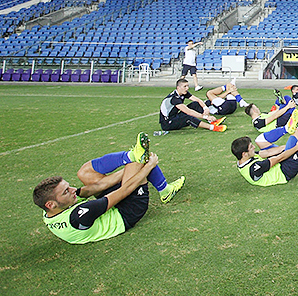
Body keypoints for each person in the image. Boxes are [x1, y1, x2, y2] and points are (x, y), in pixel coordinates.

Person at [33, 133, 185, 244]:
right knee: (139, 163)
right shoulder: (80, 215)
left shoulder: (52, 209)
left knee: (84, 172)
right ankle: (165, 190)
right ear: (51, 204)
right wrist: (147, 166)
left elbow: (97, 187)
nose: (73, 190)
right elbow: (124, 190)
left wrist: (131, 164)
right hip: (127, 212)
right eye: (66, 191)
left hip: (107, 206)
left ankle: (131, 156)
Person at [232, 130, 298, 188]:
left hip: (278, 164)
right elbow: (280, 158)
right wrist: (295, 148)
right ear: (244, 154)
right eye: (251, 147)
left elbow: (267, 152)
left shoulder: (243, 160)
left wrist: (285, 147)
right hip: (286, 171)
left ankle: (286, 128)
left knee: (260, 140)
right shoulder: (255, 167)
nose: (254, 147)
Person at [159, 78, 227, 132]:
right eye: (185, 86)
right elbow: (188, 112)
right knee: (188, 117)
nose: (187, 88)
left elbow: (198, 100)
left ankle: (211, 121)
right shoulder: (174, 98)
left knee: (195, 104)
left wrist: (205, 108)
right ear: (178, 88)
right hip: (167, 123)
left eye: (187, 86)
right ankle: (213, 128)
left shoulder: (183, 93)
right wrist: (205, 117)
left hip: (175, 116)